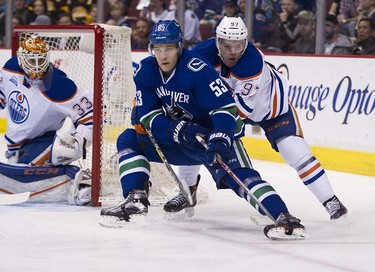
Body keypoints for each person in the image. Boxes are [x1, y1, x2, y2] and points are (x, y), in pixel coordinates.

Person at [100, 19, 306, 240]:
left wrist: (220, 136)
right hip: (179, 141)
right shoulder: (146, 71)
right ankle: (136, 199)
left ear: (179, 47)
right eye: (157, 49)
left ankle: (285, 217)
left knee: (243, 180)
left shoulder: (197, 69)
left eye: (168, 48)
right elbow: (149, 115)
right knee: (129, 139)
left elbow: (225, 109)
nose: (163, 56)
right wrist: (173, 127)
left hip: (210, 140)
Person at [165, 16, 348, 221]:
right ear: (217, 41)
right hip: (229, 107)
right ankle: (187, 191)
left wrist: (216, 133)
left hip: (271, 110)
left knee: (295, 152)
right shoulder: (199, 56)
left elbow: (239, 112)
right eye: (227, 45)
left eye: (239, 45)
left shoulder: (251, 62)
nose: (233, 52)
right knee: (193, 134)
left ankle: (331, 201)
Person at [0, 36, 93, 205]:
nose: (36, 67)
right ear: (21, 59)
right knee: (22, 172)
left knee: (24, 176)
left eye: (40, 60)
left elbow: (93, 113)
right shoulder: (10, 68)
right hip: (16, 146)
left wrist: (80, 140)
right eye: (31, 61)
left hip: (43, 141)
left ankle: (81, 179)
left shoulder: (59, 86)